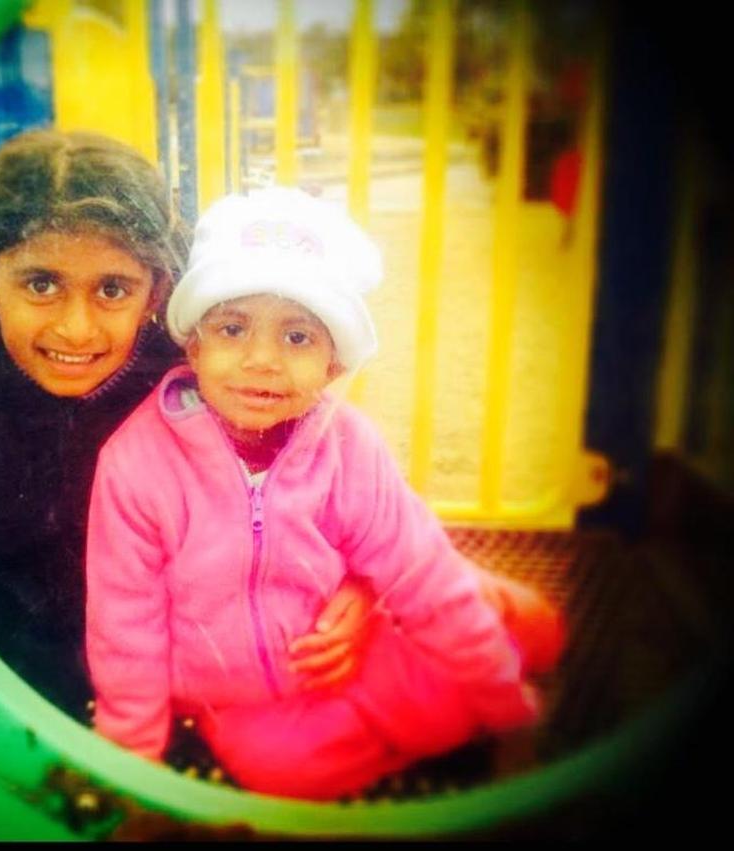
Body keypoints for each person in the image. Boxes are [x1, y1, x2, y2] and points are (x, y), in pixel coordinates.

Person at [0, 130, 370, 724]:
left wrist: (362, 581)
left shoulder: (185, 372)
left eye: (113, 289)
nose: (77, 329)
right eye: (41, 284)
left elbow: (313, 462)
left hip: (133, 638)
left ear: (155, 289)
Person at [85, 187, 556, 799]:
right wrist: (132, 770)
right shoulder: (135, 466)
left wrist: (504, 705)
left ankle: (497, 621)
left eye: (299, 338)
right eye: (232, 328)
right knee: (283, 769)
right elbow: (125, 630)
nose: (262, 360)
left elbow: (420, 573)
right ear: (193, 345)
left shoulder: (348, 447)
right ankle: (442, 689)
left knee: (516, 634)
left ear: (335, 364)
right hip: (240, 698)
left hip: (359, 643)